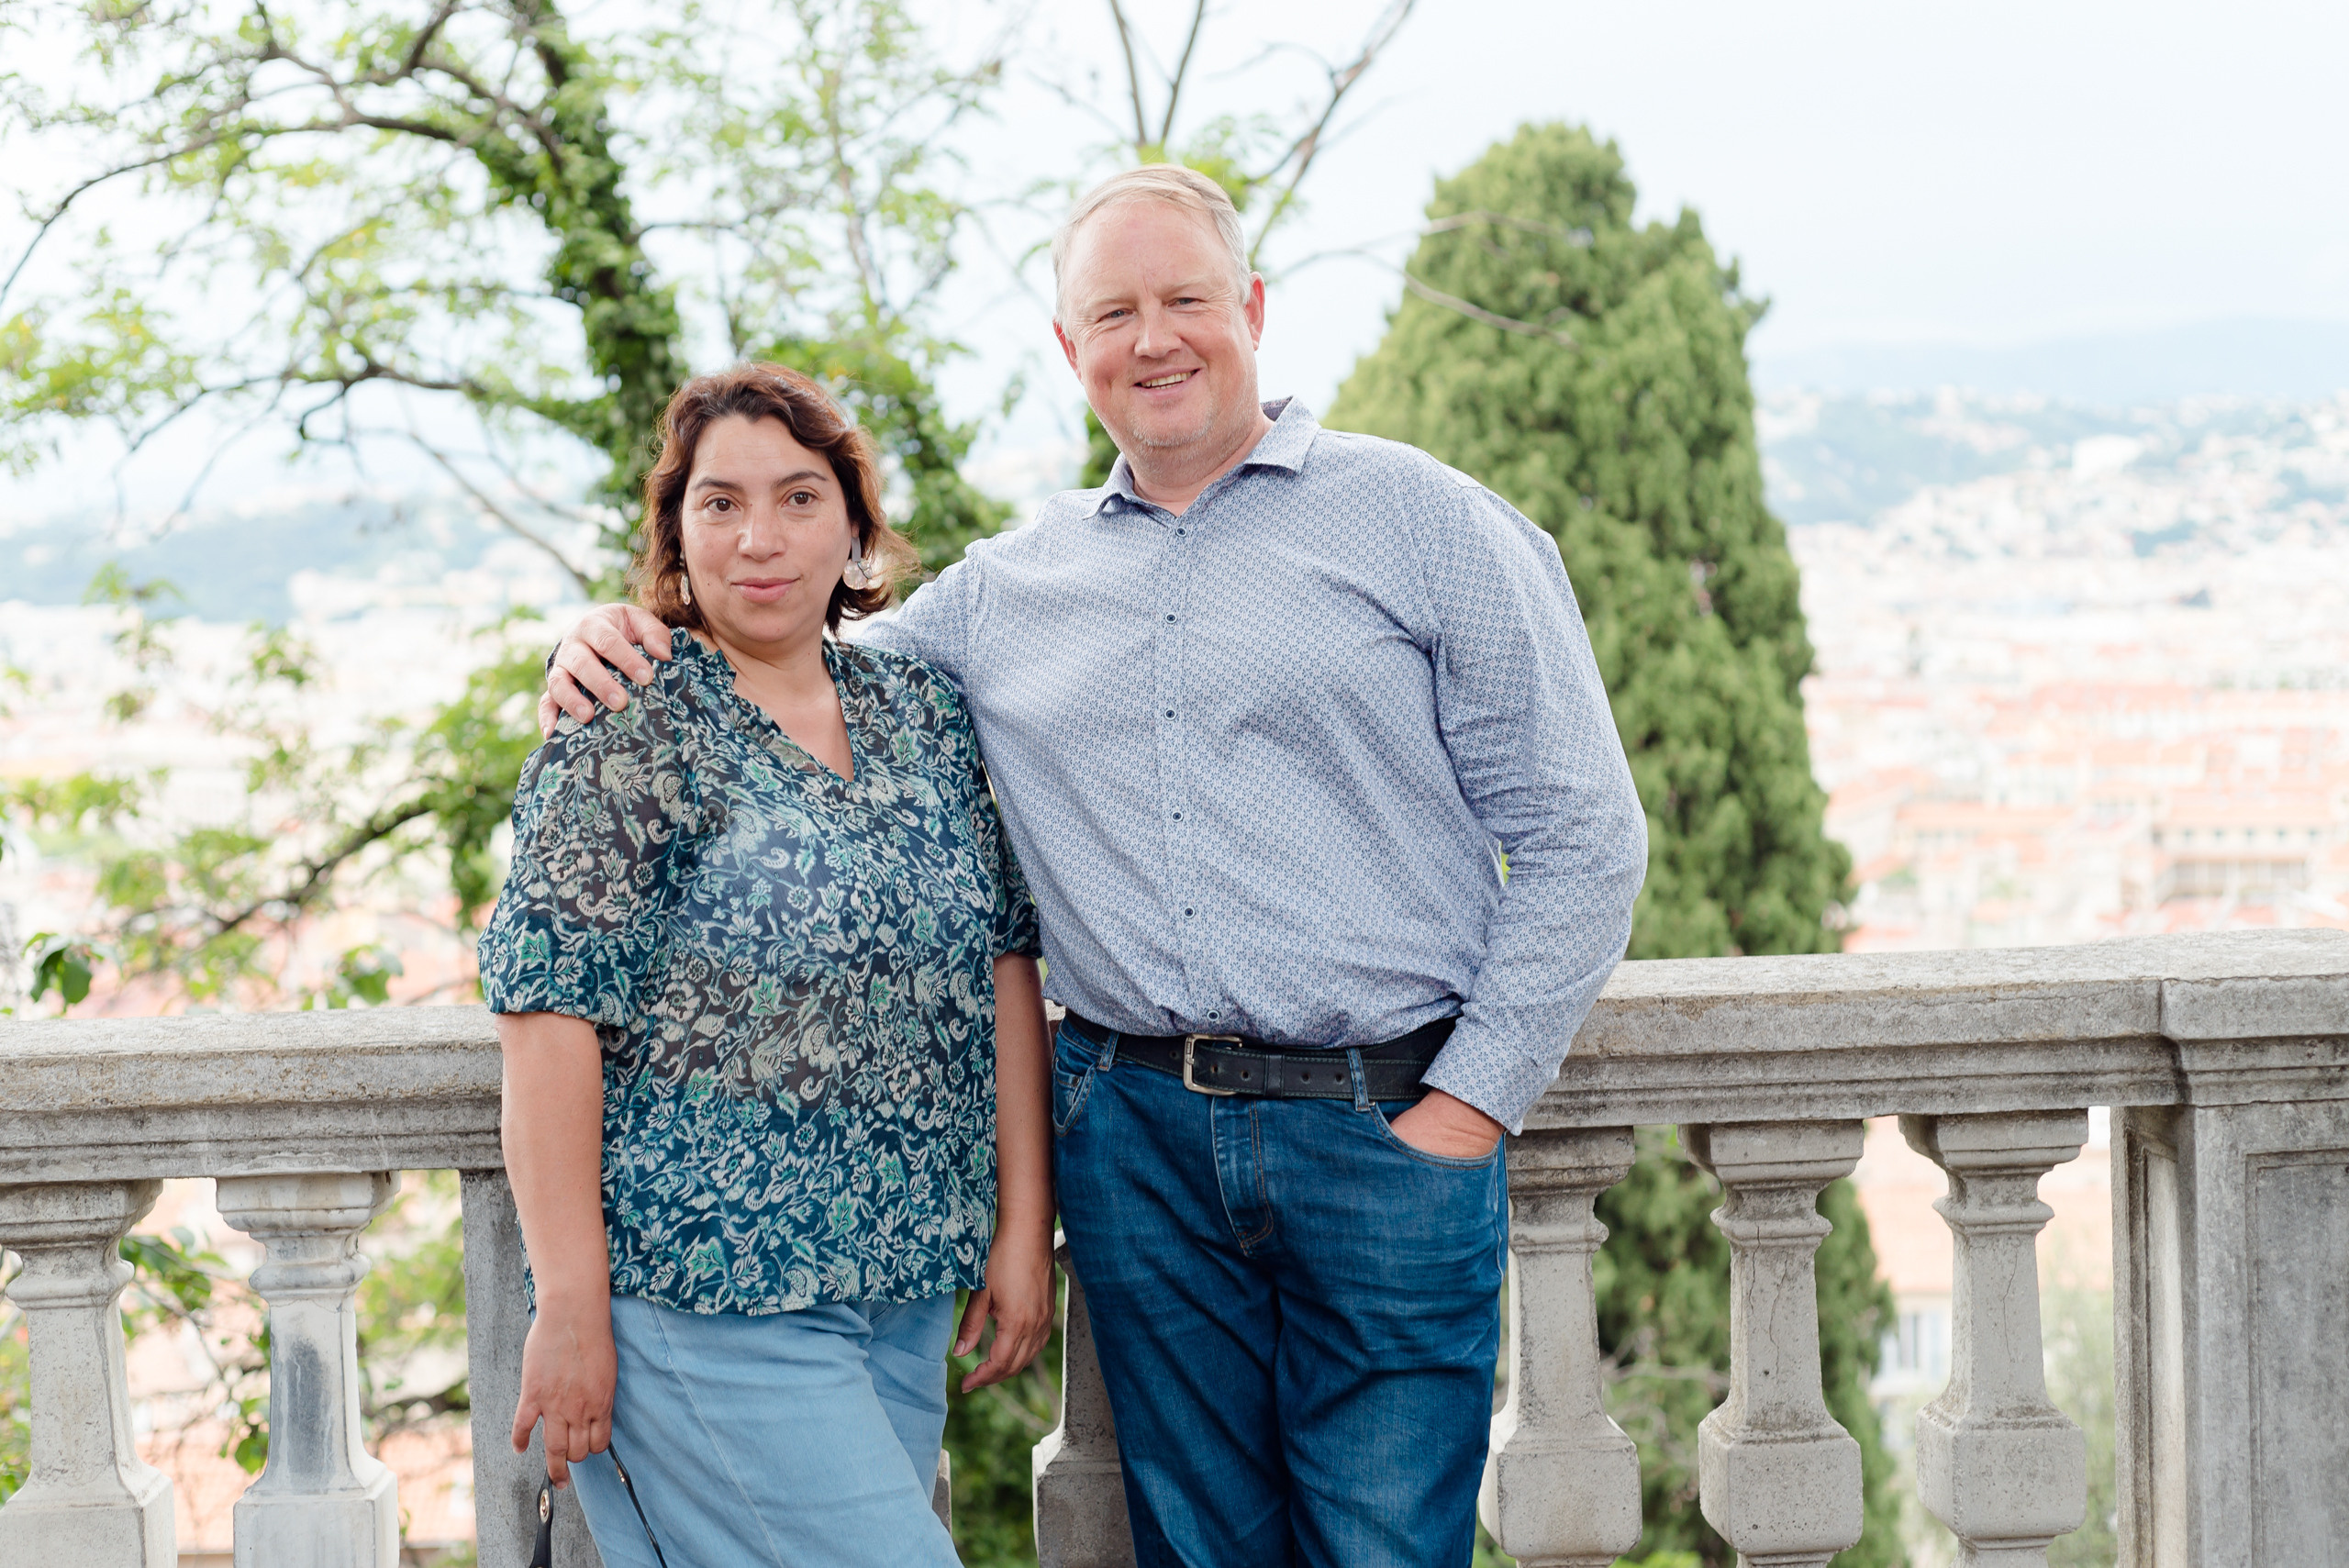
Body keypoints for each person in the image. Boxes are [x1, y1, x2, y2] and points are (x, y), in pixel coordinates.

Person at [541, 166, 1648, 1567]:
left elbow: (1582, 834)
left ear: (1251, 307)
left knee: (1383, 1548)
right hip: (1140, 1150)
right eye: (1112, 313)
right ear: (1073, 354)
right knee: (1198, 1546)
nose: (1154, 338)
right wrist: (615, 636)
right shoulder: (1015, 586)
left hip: (1382, 1129)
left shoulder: (1423, 521)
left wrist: (1470, 1109)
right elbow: (798, 671)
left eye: (1186, 298)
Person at [483, 362, 1054, 1567]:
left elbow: (1002, 957)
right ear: (676, 534)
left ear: (853, 523)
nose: (761, 537)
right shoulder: (634, 715)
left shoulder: (921, 710)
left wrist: (1021, 1222)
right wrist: (570, 1300)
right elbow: (545, 1015)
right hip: (707, 1297)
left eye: (799, 498)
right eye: (720, 502)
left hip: (901, 1297)